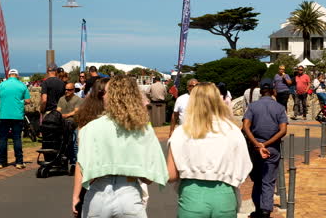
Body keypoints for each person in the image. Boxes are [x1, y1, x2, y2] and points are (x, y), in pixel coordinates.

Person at [72, 75, 168, 218]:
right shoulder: (143, 129)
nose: (103, 96)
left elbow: (82, 165)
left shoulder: (90, 128)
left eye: (106, 93)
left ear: (113, 97)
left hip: (99, 192)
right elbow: (148, 179)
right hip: (129, 192)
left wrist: (76, 196)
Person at [167, 82, 252, 218]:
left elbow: (171, 174)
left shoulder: (181, 132)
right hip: (225, 194)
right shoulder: (232, 130)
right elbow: (245, 166)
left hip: (192, 195)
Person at [243, 78, 288, 218]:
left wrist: (257, 144)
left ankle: (258, 209)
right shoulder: (279, 108)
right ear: (273, 90)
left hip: (255, 148)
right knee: (268, 181)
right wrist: (267, 144)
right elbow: (283, 130)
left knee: (257, 180)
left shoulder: (252, 106)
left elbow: (245, 127)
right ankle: (265, 211)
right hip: (272, 148)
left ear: (261, 90)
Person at [0, 69, 31, 169]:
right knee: (17, 138)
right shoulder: (22, 85)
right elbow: (28, 101)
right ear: (17, 76)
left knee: (3, 139)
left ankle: (0, 162)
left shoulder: (1, 85)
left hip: (4, 115)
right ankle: (19, 162)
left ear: (9, 75)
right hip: (17, 115)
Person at [57, 83, 83, 167]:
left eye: (69, 90)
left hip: (74, 124)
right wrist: (59, 115)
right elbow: (58, 110)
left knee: (74, 143)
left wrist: (66, 115)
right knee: (63, 142)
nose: (66, 91)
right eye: (65, 89)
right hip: (63, 123)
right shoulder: (61, 99)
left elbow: (76, 111)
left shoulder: (78, 99)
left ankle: (75, 162)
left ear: (73, 90)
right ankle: (63, 160)